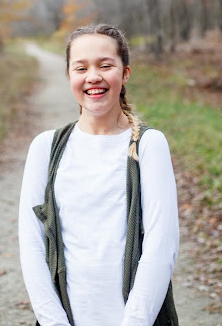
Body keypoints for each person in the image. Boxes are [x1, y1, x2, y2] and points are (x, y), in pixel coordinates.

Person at [18, 23, 180, 326]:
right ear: (69, 75)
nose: (93, 76)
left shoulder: (148, 145)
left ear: (126, 73)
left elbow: (163, 244)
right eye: (81, 68)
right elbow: (31, 244)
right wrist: (54, 321)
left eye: (105, 65)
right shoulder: (45, 148)